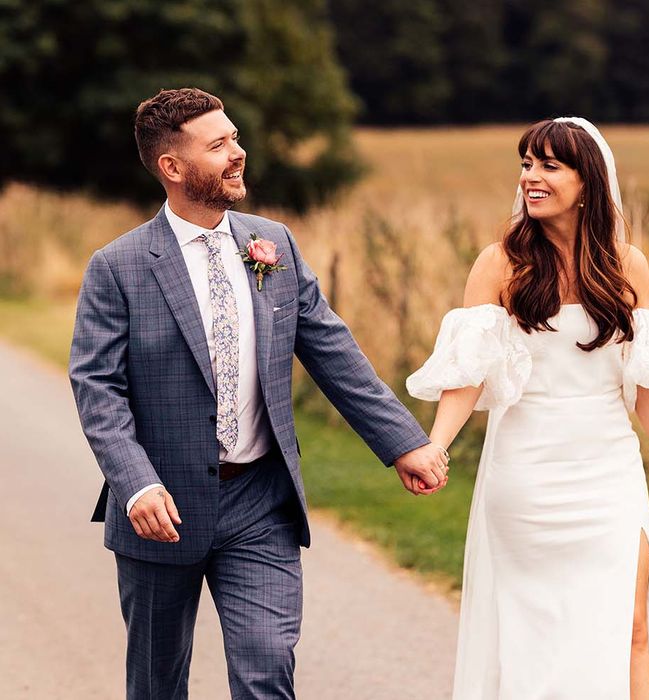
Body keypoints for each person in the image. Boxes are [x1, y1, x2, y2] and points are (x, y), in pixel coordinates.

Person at [68, 87, 448, 700]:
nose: (239, 153)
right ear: (172, 167)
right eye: (219, 145)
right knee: (156, 683)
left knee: (266, 668)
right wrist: (135, 483)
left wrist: (403, 442)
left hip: (259, 500)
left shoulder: (272, 243)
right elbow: (97, 387)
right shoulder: (119, 266)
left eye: (235, 137)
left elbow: (332, 350)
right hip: (160, 507)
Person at [407, 117, 649, 700]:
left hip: (608, 473)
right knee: (532, 635)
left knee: (630, 630)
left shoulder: (628, 265)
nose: (530, 178)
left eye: (548, 165)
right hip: (526, 474)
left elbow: (648, 389)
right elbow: (467, 376)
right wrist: (434, 448)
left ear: (588, 182)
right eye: (525, 164)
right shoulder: (499, 263)